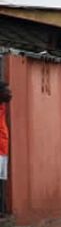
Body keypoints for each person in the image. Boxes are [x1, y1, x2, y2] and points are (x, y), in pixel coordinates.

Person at [0, 82, 11, 215]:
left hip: (3, 150)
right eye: (7, 91)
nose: (10, 93)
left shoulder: (2, 106)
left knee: (1, 178)